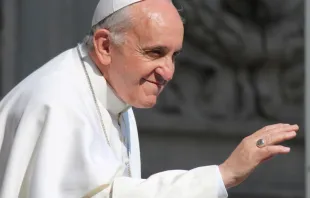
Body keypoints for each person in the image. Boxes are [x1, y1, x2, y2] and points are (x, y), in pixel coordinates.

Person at [0, 0, 299, 197]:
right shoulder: (58, 103)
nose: (168, 72)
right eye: (155, 53)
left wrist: (223, 175)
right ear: (105, 46)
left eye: (174, 56)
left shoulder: (114, 91)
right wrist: (223, 175)